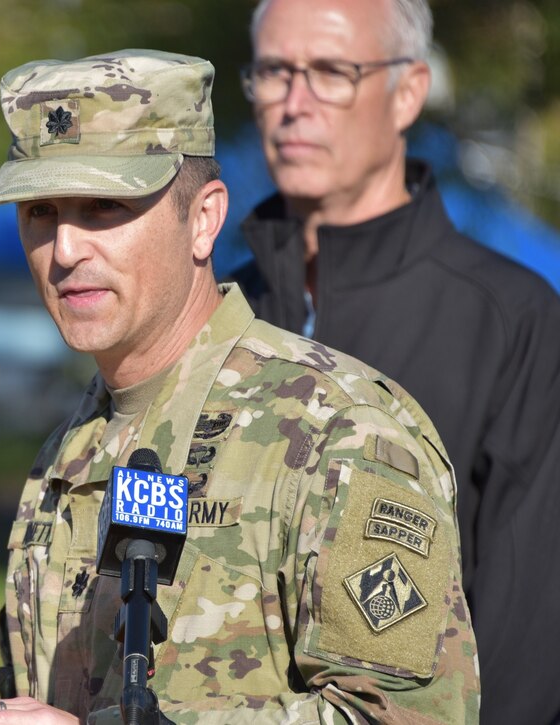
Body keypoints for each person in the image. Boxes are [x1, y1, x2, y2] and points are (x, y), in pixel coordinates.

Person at [0, 50, 478, 723]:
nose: (64, 249)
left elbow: (401, 716)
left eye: (103, 207)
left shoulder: (340, 431)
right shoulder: (75, 443)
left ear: (203, 219)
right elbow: (62, 702)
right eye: (40, 212)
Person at [229, 1, 560, 720]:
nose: (294, 103)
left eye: (331, 72)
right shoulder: (225, 313)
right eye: (275, 72)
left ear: (408, 91)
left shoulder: (511, 319)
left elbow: (527, 632)